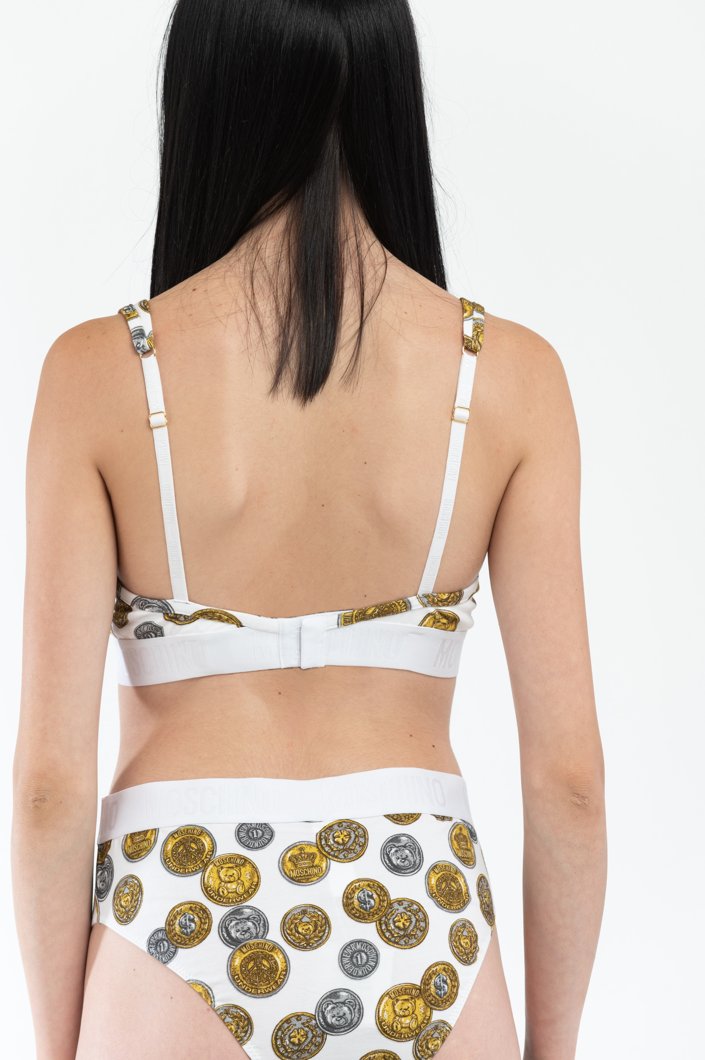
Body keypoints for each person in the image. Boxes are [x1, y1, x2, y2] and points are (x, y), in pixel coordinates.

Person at [11, 2, 607, 1058]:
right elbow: (568, 782)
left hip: (176, 899)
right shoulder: (508, 378)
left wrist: (67, 1038)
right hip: (419, 903)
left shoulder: (100, 375)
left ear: (206, 95)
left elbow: (50, 785)